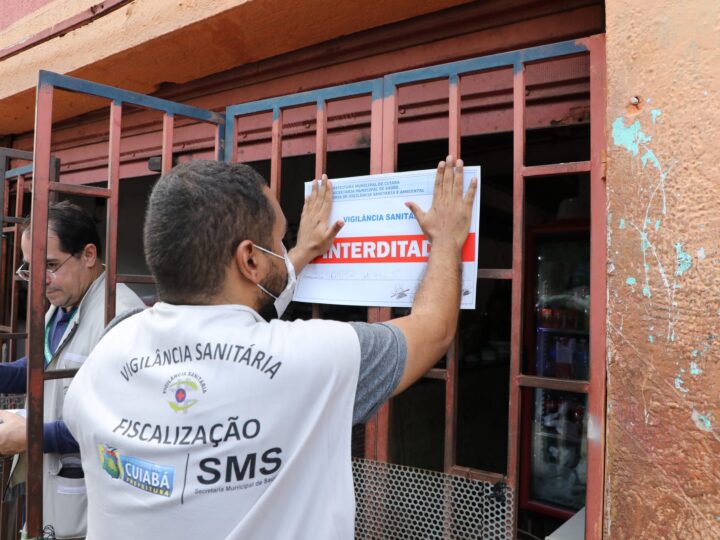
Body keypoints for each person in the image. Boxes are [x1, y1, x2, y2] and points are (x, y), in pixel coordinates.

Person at [64, 156, 477, 539]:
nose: (284, 248)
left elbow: (229, 311)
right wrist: (445, 240)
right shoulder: (312, 358)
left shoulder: (110, 348)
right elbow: (434, 329)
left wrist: (300, 254)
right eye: (281, 238)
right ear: (250, 260)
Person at [0, 201, 146, 540]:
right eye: (30, 268)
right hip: (51, 491)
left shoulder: (120, 316)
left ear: (89, 255)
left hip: (91, 503)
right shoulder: (61, 305)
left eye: (50, 265)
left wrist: (30, 434)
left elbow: (113, 423)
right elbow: (41, 368)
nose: (39, 281)